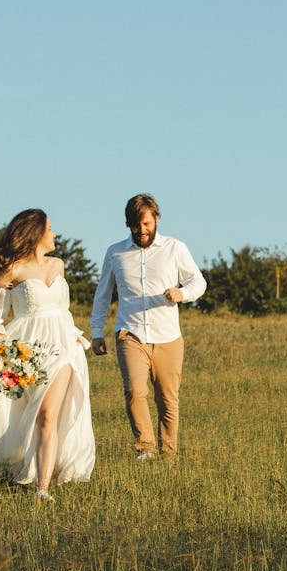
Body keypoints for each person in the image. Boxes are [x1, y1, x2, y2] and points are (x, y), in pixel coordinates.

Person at [0, 209, 95, 501]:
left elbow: (62, 309)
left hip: (63, 344)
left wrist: (75, 338)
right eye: (49, 228)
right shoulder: (14, 270)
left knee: (49, 413)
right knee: (28, 412)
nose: (54, 233)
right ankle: (16, 467)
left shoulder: (58, 265)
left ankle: (43, 487)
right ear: (35, 233)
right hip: (27, 347)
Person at [91, 194, 206, 461]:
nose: (141, 231)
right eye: (135, 225)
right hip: (130, 334)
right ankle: (145, 448)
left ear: (156, 219)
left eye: (145, 224)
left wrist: (182, 294)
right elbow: (103, 293)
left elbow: (198, 282)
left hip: (168, 337)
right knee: (134, 391)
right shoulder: (115, 252)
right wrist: (97, 332)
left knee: (167, 399)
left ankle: (169, 454)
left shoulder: (175, 248)